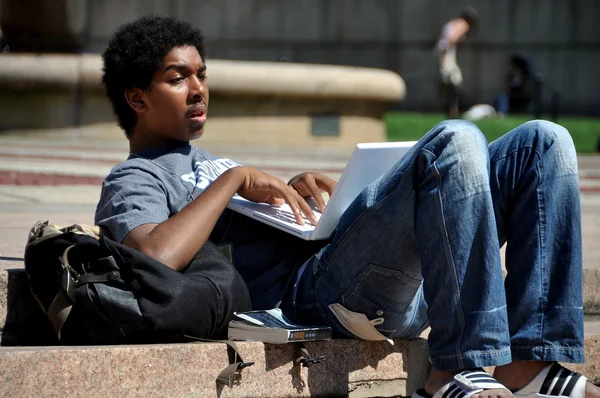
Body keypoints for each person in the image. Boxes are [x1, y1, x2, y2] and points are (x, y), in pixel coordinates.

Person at [95, 15, 599, 398]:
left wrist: (322, 200)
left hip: (367, 271)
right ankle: (455, 366)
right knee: (456, 140)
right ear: (137, 99)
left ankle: (530, 361)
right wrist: (232, 180)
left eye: (202, 74)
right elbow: (154, 257)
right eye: (178, 78)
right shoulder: (134, 177)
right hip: (323, 299)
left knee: (543, 142)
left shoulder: (207, 161)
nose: (199, 89)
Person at [434, 6, 478, 118]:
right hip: (447, 52)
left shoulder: (454, 23)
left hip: (442, 51)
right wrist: (445, 58)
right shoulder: (463, 25)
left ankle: (451, 111)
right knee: (455, 82)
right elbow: (450, 39)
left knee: (449, 84)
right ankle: (455, 111)